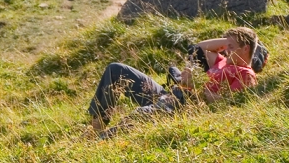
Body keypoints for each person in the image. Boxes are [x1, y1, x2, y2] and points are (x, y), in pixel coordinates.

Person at [87, 27, 259, 137]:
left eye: (232, 47)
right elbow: (199, 47)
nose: (227, 51)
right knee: (116, 69)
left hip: (183, 105)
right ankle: (98, 125)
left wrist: (197, 88)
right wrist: (229, 39)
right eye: (226, 47)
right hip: (170, 95)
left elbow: (233, 105)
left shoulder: (245, 74)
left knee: (139, 116)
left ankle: (98, 142)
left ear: (245, 49)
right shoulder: (221, 62)